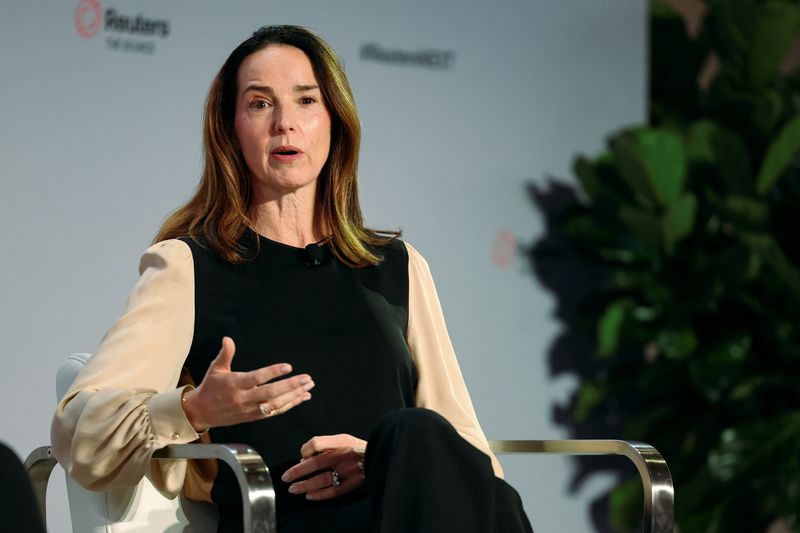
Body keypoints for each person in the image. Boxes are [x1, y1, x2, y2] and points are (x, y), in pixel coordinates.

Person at [51, 25, 533, 533]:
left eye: (306, 101)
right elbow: (78, 432)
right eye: (260, 104)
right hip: (287, 523)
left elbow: (464, 445)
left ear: (334, 121)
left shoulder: (397, 265)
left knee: (419, 436)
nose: (285, 124)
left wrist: (378, 461)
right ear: (231, 128)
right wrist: (193, 408)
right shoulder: (189, 265)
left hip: (403, 514)